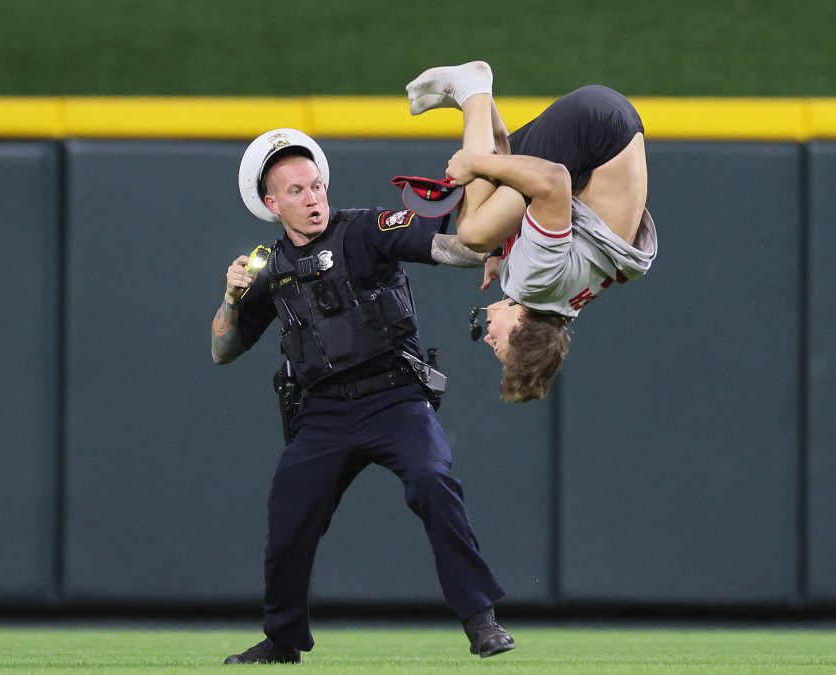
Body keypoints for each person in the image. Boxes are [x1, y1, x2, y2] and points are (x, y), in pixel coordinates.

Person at [211, 128, 515, 664]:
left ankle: (480, 619)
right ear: (271, 202)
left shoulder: (366, 229)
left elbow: (450, 248)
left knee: (432, 479)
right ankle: (282, 641)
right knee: (288, 518)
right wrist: (232, 299)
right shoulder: (269, 269)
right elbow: (223, 350)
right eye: (298, 191)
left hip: (393, 397)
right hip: (323, 413)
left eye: (317, 185)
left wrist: (489, 244)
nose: (313, 198)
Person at [404, 62, 659, 403]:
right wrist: (473, 164)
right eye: (500, 347)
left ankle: (476, 99)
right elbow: (553, 182)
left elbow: (540, 199)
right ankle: (472, 91)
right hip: (595, 132)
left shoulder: (557, 302)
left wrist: (502, 255)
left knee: (497, 203)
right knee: (475, 232)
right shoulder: (536, 285)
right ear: (521, 327)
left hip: (613, 127)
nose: (490, 340)